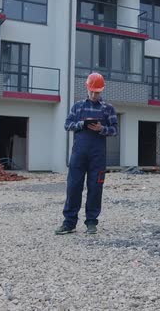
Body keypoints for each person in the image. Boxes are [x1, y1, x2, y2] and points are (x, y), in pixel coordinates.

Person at [55, 73, 118, 235]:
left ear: (101, 90)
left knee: (95, 187)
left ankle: (91, 222)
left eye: (97, 92)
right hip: (79, 154)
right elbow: (67, 125)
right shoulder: (78, 107)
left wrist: (101, 129)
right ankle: (69, 223)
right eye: (92, 91)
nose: (94, 95)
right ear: (87, 88)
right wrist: (82, 124)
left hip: (98, 155)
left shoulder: (108, 108)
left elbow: (115, 130)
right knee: (74, 186)